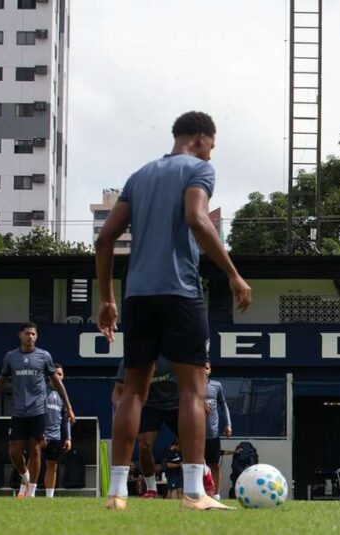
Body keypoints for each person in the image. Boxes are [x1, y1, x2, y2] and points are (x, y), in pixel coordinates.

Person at [96, 111, 251, 511]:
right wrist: (233, 274)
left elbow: (105, 238)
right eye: (211, 147)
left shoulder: (139, 176)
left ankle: (117, 493)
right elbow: (197, 218)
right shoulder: (199, 169)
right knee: (193, 391)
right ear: (200, 139)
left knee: (133, 391)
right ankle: (195, 493)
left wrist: (107, 298)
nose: (211, 155)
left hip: (136, 296)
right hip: (180, 292)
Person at [0, 322, 75, 500]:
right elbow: (1, 381)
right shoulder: (11, 357)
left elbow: (57, 382)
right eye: (27, 333)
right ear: (20, 335)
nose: (30, 337)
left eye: (33, 334)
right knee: (14, 451)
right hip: (19, 411)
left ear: (36, 336)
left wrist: (69, 407)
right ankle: (25, 476)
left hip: (38, 411)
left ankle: (31, 493)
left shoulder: (44, 356)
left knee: (35, 450)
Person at [111, 356, 179, 500]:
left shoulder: (173, 354)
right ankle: (151, 489)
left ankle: (204, 478)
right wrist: (121, 409)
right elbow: (118, 391)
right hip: (148, 405)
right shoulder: (134, 357)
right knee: (145, 446)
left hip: (175, 402)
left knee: (189, 445)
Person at [43, 365, 72, 499]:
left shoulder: (63, 395)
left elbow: (66, 418)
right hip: (40, 436)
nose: (58, 376)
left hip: (55, 436)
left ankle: (49, 497)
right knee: (32, 463)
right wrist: (38, 432)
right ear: (50, 376)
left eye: (60, 374)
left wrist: (68, 438)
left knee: (52, 465)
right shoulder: (42, 390)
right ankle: (26, 493)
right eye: (56, 374)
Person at [204, 361, 232, 499]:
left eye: (207, 368)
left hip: (213, 434)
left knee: (214, 464)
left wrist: (228, 424)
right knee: (197, 466)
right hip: (197, 435)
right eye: (201, 368)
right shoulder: (192, 386)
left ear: (210, 370)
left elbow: (223, 404)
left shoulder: (216, 385)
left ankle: (216, 494)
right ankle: (200, 493)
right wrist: (199, 401)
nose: (204, 370)